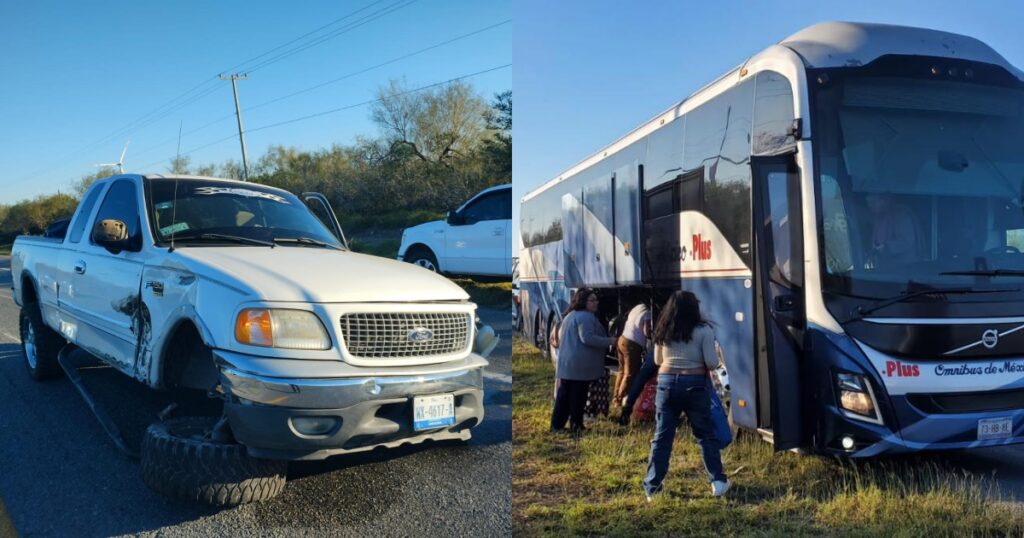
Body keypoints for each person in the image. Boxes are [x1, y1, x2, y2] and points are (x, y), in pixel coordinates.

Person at [643, 290, 729, 500]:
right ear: (694, 309)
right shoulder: (703, 331)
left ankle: (652, 487)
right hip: (694, 385)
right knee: (705, 435)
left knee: (662, 437)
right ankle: (718, 482)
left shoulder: (663, 330)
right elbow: (711, 363)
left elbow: (657, 361)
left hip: (666, 384)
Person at [550, 288, 617, 433]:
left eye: (596, 300)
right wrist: (610, 341)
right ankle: (576, 425)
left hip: (569, 364)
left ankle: (558, 425)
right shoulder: (585, 317)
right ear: (583, 302)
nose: (596, 303)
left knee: (565, 396)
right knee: (577, 397)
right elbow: (587, 338)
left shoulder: (571, 315)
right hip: (579, 366)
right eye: (592, 300)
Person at [866, 193, 921, 267]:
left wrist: (887, 247)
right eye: (869, 203)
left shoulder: (902, 216)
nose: (870, 206)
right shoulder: (878, 217)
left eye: (873, 202)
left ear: (884, 201)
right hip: (885, 265)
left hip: (904, 266)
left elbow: (907, 242)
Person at [614, 300, 651, 408]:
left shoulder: (636, 308)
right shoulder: (647, 313)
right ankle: (620, 400)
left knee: (621, 371)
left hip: (622, 339)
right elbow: (646, 331)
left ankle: (616, 397)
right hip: (633, 344)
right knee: (630, 373)